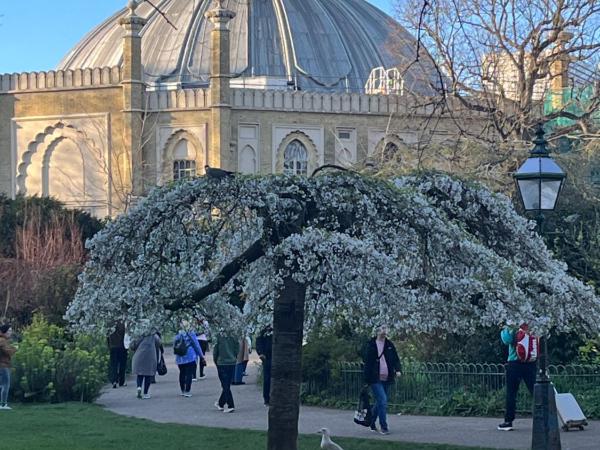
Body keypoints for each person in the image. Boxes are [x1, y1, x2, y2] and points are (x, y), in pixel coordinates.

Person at [498, 323, 537, 431]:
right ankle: (543, 417)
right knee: (536, 391)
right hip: (530, 361)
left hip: (514, 362)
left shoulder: (511, 325)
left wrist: (505, 328)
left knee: (511, 392)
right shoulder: (530, 322)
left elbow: (506, 340)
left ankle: (508, 421)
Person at [363, 325, 401, 435]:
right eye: (383, 329)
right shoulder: (371, 345)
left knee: (380, 402)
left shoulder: (389, 345)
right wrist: (366, 379)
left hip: (387, 377)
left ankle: (371, 422)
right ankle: (384, 427)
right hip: (375, 378)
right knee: (383, 400)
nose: (385, 331)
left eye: (386, 329)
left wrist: (397, 369)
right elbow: (368, 363)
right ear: (378, 331)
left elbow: (395, 358)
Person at [213, 330, 239, 413]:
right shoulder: (234, 335)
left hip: (222, 362)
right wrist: (234, 357)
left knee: (225, 384)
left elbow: (215, 350)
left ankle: (231, 405)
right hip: (232, 362)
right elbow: (237, 348)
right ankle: (220, 403)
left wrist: (216, 361)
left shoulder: (219, 336)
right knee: (226, 384)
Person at [174, 325, 204, 397]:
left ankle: (182, 390)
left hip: (180, 357)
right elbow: (196, 345)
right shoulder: (190, 333)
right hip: (190, 356)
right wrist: (201, 356)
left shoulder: (178, 334)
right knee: (189, 374)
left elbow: (174, 345)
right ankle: (187, 390)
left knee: (182, 373)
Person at [131, 331, 162, 399]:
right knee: (148, 375)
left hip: (140, 355)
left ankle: (139, 387)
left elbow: (133, 345)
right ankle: (145, 393)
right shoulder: (153, 335)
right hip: (150, 357)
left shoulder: (139, 335)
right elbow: (159, 342)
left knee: (140, 374)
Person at [0, 324, 17, 410]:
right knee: (5, 385)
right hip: (3, 366)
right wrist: (15, 349)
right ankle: (3, 404)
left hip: (3, 365)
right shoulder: (2, 341)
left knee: (2, 384)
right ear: (5, 331)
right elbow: (8, 352)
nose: (10, 332)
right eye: (9, 331)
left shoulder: (3, 340)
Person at [255, 326, 272, 407]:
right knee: (267, 379)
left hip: (274, 356)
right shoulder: (262, 333)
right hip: (267, 358)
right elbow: (258, 342)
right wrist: (261, 353)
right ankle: (267, 399)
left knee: (271, 378)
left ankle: (271, 397)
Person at [107, 322, 127, 388]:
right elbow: (125, 336)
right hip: (122, 347)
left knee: (113, 365)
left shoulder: (110, 325)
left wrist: (109, 346)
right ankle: (121, 381)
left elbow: (107, 336)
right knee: (122, 365)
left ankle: (114, 381)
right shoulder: (122, 325)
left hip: (113, 347)